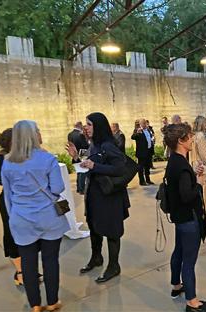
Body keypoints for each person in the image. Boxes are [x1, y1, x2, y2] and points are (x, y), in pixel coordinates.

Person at [1, 120, 68, 311]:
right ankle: (53, 301)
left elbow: (8, 195)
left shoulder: (7, 162)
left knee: (28, 263)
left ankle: (35, 305)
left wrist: (12, 216)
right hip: (49, 217)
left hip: (21, 218)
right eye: (37, 130)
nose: (40, 133)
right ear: (32, 135)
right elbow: (57, 188)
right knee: (50, 260)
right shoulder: (48, 159)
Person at [68, 112, 130, 283]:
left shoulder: (109, 145)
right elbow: (88, 166)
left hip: (109, 196)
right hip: (95, 194)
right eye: (86, 124)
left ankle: (114, 266)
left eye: (89, 124)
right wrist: (76, 158)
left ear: (98, 126)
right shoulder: (94, 144)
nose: (86, 128)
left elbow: (120, 169)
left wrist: (95, 165)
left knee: (111, 230)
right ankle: (96, 258)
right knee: (94, 227)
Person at [164, 123, 206, 312]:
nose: (193, 139)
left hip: (179, 217)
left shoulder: (174, 161)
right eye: (190, 136)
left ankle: (177, 286)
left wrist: (192, 175)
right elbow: (187, 195)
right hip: (189, 219)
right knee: (189, 260)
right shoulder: (182, 165)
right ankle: (192, 302)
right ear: (181, 140)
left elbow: (180, 186)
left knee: (178, 251)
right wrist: (199, 182)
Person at [0, 128, 25, 285]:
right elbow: (5, 181)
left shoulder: (26, 156)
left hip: (26, 200)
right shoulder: (2, 159)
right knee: (13, 235)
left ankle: (28, 268)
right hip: (10, 200)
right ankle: (20, 272)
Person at [190, 116, 206, 221]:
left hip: (194, 164)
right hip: (201, 166)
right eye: (205, 122)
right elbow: (204, 154)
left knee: (196, 190)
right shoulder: (201, 136)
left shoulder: (193, 135)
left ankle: (197, 211)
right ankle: (203, 213)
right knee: (203, 190)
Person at [68, 121, 90, 194]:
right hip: (82, 154)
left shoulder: (70, 134)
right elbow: (84, 145)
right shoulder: (80, 135)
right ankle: (82, 189)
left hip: (74, 155)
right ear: (79, 125)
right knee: (83, 172)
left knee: (78, 172)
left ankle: (78, 188)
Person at [132, 119, 154, 186]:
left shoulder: (148, 130)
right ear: (140, 124)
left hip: (148, 151)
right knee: (141, 168)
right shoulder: (137, 130)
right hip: (141, 153)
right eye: (143, 123)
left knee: (147, 167)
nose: (145, 124)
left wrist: (152, 140)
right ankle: (142, 181)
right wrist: (137, 133)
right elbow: (133, 137)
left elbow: (149, 137)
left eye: (145, 123)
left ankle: (148, 180)